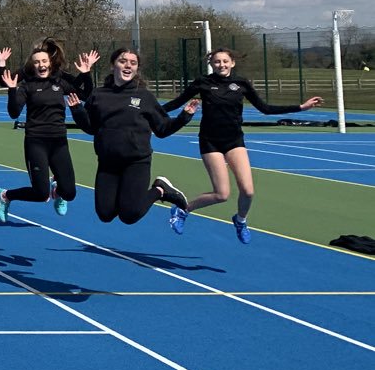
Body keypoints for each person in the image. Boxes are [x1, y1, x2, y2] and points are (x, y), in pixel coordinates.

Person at [161, 48, 323, 243]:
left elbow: (265, 109)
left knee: (248, 191)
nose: (221, 65)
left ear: (232, 63)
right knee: (222, 194)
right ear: (211, 64)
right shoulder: (203, 83)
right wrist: (147, 111)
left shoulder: (242, 83)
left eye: (225, 61)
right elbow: (175, 103)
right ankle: (182, 209)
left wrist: (300, 107)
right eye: (217, 61)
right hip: (210, 141)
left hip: (234, 141)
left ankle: (240, 220)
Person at [66, 48, 199, 227]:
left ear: (137, 69)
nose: (128, 65)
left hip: (136, 162)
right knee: (105, 214)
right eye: (123, 61)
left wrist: (184, 116)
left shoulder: (144, 96)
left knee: (129, 215)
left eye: (133, 62)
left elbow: (162, 129)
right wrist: (77, 111)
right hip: (108, 163)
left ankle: (160, 190)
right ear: (113, 65)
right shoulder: (99, 95)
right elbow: (90, 128)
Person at [0, 39, 99, 222]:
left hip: (59, 142)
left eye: (44, 61)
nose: (41, 65)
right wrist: (11, 89)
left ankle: (57, 191)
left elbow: (85, 94)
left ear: (50, 63)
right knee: (41, 194)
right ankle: (5, 196)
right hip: (36, 142)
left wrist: (86, 73)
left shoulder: (59, 83)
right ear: (32, 66)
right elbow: (13, 112)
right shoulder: (27, 86)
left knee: (70, 193)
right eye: (37, 62)